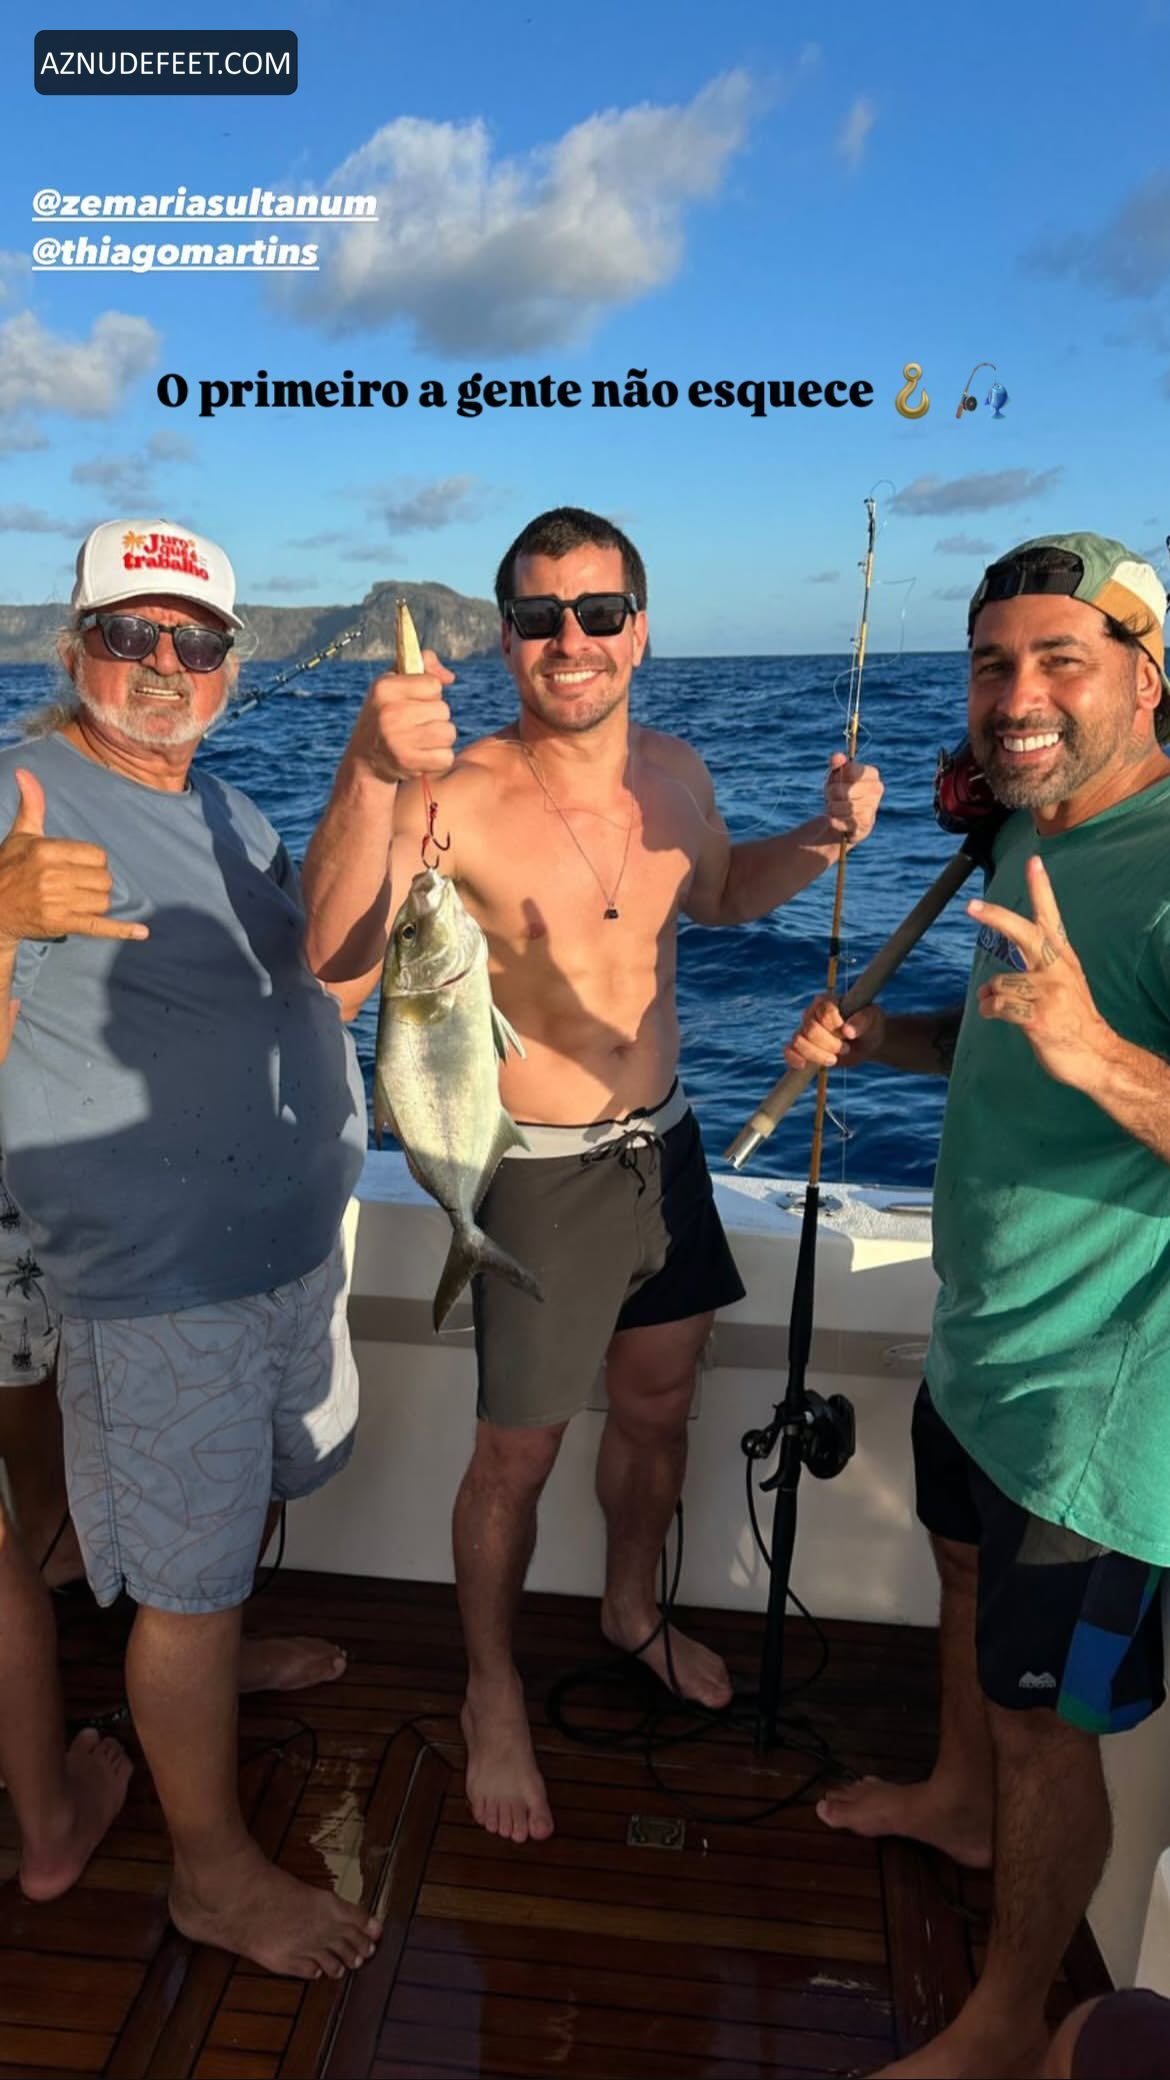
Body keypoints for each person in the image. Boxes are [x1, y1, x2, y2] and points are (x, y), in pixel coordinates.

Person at [303, 504, 883, 1845]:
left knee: (661, 1408)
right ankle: (490, 1688)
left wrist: (828, 839)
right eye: (539, 616)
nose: (571, 640)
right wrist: (368, 769)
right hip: (532, 1175)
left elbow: (719, 895)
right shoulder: (449, 794)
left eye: (599, 612)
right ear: (505, 637)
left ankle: (629, 1608)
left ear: (640, 629)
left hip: (665, 1150)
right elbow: (332, 976)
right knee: (513, 1455)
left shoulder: (676, 771)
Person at [784, 533, 1170, 2080]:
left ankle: (1008, 2024)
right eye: (992, 662)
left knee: (1040, 1726)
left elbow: (1079, 1047)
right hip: (985, 1347)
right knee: (957, 1586)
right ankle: (955, 1807)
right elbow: (1008, 1035)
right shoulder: (1033, 832)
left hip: (1098, 1412)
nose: (1017, 695)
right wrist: (882, 1040)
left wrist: (1096, 1056)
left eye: (1060, 659)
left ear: (1146, 677)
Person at [0, 519, 382, 1979]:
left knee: (221, 1536)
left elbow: (325, 990)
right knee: (183, 1583)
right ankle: (212, 1877)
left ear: (229, 663)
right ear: (72, 645)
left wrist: (394, 813)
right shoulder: (20, 791)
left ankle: (213, 1639)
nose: (164, 663)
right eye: (129, 633)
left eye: (197, 640)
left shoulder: (232, 810)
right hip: (158, 1282)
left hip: (286, 1243)